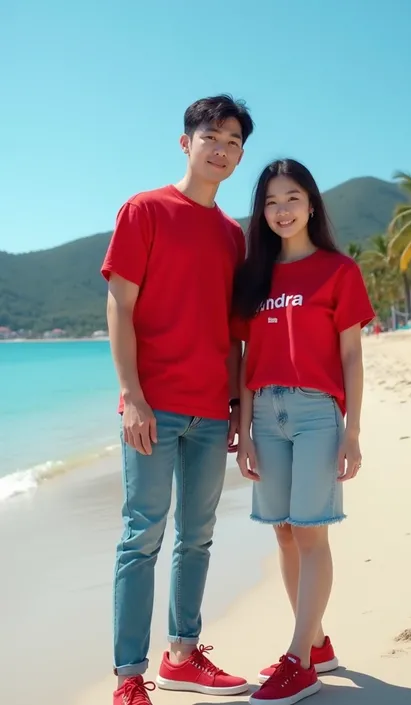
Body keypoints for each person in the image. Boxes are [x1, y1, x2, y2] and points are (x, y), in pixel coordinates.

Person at [101, 94, 254, 705]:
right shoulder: (145, 210)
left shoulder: (232, 236)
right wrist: (131, 395)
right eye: (211, 136)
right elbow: (120, 306)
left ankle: (183, 655)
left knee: (199, 535)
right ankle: (129, 677)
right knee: (142, 535)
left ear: (241, 157)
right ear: (186, 142)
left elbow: (233, 330)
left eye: (234, 141)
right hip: (153, 407)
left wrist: (238, 405)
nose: (222, 148)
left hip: (212, 411)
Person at [233, 159, 375, 704]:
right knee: (283, 531)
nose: (282, 209)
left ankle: (297, 662)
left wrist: (353, 430)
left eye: (292, 197)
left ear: (311, 204)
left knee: (311, 531)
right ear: (262, 212)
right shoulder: (255, 277)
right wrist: (244, 430)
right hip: (265, 414)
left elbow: (352, 357)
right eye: (271, 201)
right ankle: (314, 644)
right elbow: (245, 359)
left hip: (318, 413)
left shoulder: (339, 271)